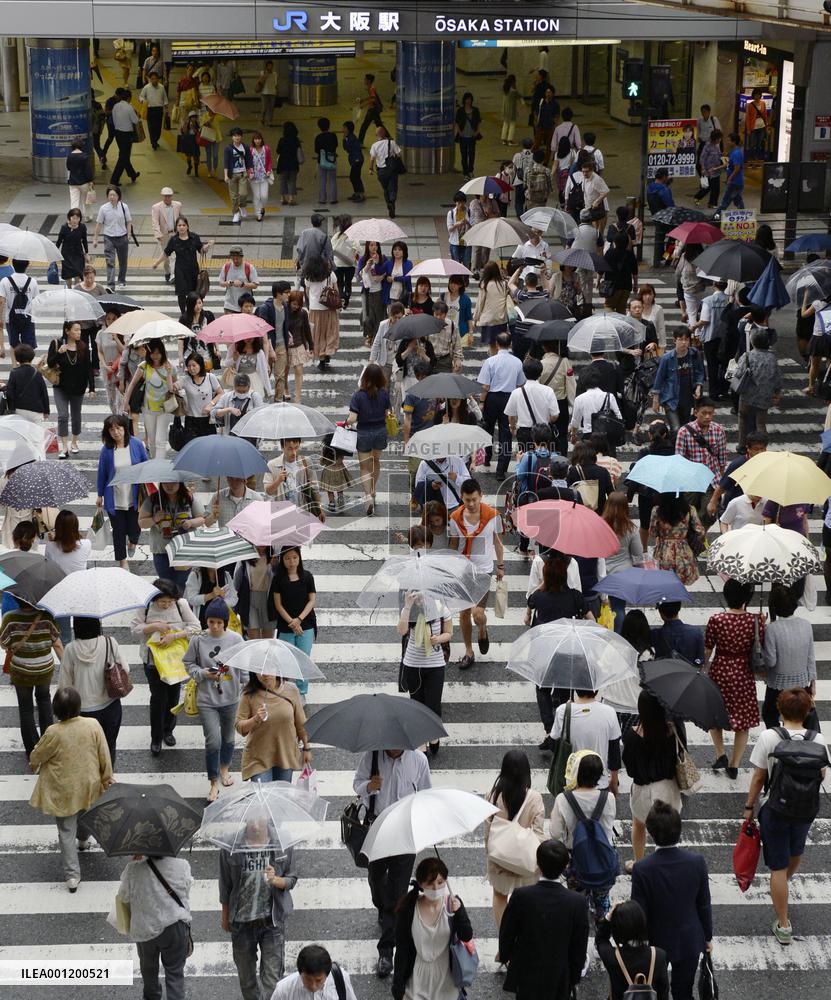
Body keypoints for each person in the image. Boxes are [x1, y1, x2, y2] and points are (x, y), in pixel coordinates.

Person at [745, 687, 829, 946]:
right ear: (807, 712)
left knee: (777, 867)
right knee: (796, 853)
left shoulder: (770, 737)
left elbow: (759, 777)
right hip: (805, 808)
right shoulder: (818, 739)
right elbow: (822, 774)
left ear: (780, 710)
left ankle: (783, 924)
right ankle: (781, 884)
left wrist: (748, 807)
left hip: (776, 808)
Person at [353, 747, 432, 977]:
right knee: (376, 882)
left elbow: (426, 793)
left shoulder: (418, 760)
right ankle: (383, 906)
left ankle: (386, 950)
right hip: (377, 828)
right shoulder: (371, 756)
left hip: (405, 832)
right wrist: (369, 786)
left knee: (397, 893)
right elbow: (356, 783)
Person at [29, 687, 112, 892]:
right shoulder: (92, 725)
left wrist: (33, 763)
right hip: (89, 783)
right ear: (78, 706)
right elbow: (104, 753)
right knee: (86, 813)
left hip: (63, 788)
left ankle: (72, 876)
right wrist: (106, 776)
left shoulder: (53, 732)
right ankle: (83, 840)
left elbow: (38, 755)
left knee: (66, 830)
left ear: (56, 710)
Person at [631, 801, 713, 1000]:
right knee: (683, 991)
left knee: (658, 990)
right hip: (689, 939)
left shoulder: (642, 869)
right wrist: (708, 937)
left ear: (650, 832)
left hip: (656, 941)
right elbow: (704, 904)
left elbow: (639, 911)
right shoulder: (697, 862)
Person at [498, 839, 588, 1000]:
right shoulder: (577, 902)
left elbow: (507, 933)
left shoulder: (521, 896)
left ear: (538, 865)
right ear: (566, 866)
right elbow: (579, 946)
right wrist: (573, 977)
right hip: (560, 976)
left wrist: (507, 958)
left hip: (527, 973)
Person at [220, 832, 295, 998]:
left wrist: (276, 880)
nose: (255, 822)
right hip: (241, 922)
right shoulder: (231, 846)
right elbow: (225, 884)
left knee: (273, 983)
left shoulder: (282, 843)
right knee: (247, 982)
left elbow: (292, 878)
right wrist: (225, 915)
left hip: (272, 923)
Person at [183, 597, 243, 802]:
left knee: (228, 738)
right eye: (211, 622)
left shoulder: (235, 639)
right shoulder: (198, 639)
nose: (215, 626)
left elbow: (243, 665)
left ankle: (225, 768)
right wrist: (201, 673)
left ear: (225, 622)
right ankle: (214, 781)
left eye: (219, 622)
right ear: (206, 621)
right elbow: (188, 663)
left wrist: (245, 685)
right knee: (213, 741)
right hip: (207, 699)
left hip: (231, 697)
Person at [132, 577, 201, 756]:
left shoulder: (181, 605)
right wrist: (152, 626)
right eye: (162, 601)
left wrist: (175, 636)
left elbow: (196, 627)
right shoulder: (145, 606)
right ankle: (156, 738)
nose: (166, 605)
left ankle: (168, 731)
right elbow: (134, 629)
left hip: (175, 661)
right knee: (157, 698)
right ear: (154, 599)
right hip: (152, 661)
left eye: (170, 601)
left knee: (172, 697)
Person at [391, 855, 473, 1000]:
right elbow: (402, 950)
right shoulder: (409, 909)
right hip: (417, 979)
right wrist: (398, 988)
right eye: (430, 883)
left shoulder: (452, 904)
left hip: (447, 979)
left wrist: (459, 912)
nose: (436, 888)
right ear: (421, 884)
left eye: (440, 882)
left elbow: (466, 935)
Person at [704, 578, 763, 779]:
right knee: (743, 719)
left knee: (714, 713)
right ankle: (735, 764)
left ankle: (720, 753)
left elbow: (707, 649)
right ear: (747, 597)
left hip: (720, 669)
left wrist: (703, 668)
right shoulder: (755, 620)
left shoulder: (716, 619)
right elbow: (759, 646)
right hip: (743, 672)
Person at [483, 749, 545, 936]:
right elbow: (539, 834)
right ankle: (523, 940)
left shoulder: (493, 795)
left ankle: (504, 944)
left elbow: (488, 830)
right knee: (527, 902)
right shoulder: (534, 798)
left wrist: (491, 853)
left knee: (500, 896)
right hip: (526, 860)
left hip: (499, 858)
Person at [116, 850, 193, 1000]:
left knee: (149, 971)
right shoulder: (182, 865)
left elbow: (123, 897)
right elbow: (186, 891)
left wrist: (134, 862)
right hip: (174, 926)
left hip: (145, 929)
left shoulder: (133, 869)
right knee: (175, 973)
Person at [549, 750, 617, 916]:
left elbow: (555, 833)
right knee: (602, 899)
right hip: (604, 858)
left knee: (576, 904)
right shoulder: (608, 798)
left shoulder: (563, 799)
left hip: (575, 860)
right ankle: (602, 929)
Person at [622, 690, 683, 872]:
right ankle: (668, 862)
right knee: (668, 828)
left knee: (639, 825)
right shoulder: (673, 730)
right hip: (668, 787)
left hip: (643, 789)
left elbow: (631, 769)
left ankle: (638, 863)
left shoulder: (633, 736)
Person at [448, 479, 505, 669]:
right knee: (464, 613)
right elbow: (454, 544)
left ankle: (482, 628)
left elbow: (497, 542)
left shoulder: (492, 516)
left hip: (483, 571)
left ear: (481, 496)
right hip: (463, 570)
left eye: (474, 499)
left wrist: (501, 565)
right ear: (462, 499)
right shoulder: (455, 518)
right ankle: (468, 651)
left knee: (477, 614)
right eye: (467, 500)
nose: (471, 504)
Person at [58, 617, 128, 766]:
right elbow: (125, 669)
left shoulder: (70, 649)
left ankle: (89, 782)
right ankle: (107, 780)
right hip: (110, 705)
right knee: (108, 746)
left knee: (85, 751)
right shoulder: (110, 642)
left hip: (81, 710)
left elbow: (65, 683)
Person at [0, 602, 62, 758]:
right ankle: (48, 747)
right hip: (43, 669)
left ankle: (32, 751)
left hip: (21, 670)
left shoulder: (10, 618)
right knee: (44, 701)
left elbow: (3, 643)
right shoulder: (47, 616)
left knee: (25, 708)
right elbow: (55, 639)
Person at [397, 589, 451, 753]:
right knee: (417, 704)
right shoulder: (409, 610)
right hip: (413, 663)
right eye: (416, 594)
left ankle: (433, 735)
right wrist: (407, 606)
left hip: (435, 664)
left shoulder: (441, 608)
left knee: (433, 703)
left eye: (422, 594)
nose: (419, 598)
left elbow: (449, 633)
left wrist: (438, 639)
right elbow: (401, 630)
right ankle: (421, 741)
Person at [235, 670, 310, 783]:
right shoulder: (248, 695)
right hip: (258, 759)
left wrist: (306, 748)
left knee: (281, 797)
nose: (265, 674)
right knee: (263, 798)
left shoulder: (291, 690)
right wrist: (255, 719)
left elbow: (301, 724)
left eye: (270, 669)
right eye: (260, 670)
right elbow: (240, 727)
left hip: (285, 755)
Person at [760, 583, 818, 730]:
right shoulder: (806, 625)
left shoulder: (772, 629)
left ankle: (780, 739)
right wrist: (813, 683)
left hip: (778, 683)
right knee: (801, 715)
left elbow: (771, 661)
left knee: (769, 713)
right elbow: (811, 657)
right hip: (802, 682)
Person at [96, 413, 149, 569]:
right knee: (118, 531)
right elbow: (102, 474)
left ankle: (133, 542)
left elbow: (145, 466)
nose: (116, 432)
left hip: (134, 495)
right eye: (111, 430)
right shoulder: (106, 450)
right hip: (115, 497)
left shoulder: (137, 444)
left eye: (118, 428)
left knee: (134, 527)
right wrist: (99, 495)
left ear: (125, 428)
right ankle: (122, 561)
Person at [595, 901, 671, 1000]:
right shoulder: (659, 955)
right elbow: (663, 991)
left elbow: (601, 939)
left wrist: (608, 917)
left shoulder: (612, 957)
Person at [551, 690, 622, 792]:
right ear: (596, 689)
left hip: (572, 783)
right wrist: (614, 781)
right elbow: (614, 751)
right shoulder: (609, 712)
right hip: (600, 782)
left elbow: (553, 744)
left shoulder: (563, 711)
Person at [269, 546, 317, 698]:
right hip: (286, 626)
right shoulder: (278, 578)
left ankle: (301, 692)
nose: (291, 561)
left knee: (303, 659)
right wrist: (292, 622)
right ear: (282, 560)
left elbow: (312, 600)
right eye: (288, 558)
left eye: (294, 558)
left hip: (306, 625)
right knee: (284, 660)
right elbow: (278, 604)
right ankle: (284, 689)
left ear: (299, 558)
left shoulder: (307, 576)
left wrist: (299, 620)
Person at [138, 481, 205, 587]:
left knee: (182, 583)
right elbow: (141, 522)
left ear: (180, 483)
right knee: (166, 584)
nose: (169, 486)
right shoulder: (153, 499)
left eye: (173, 483)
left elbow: (201, 518)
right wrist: (155, 519)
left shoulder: (189, 497)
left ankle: (180, 604)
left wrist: (190, 522)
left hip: (184, 549)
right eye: (166, 483)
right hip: (162, 550)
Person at [347, 363, 392, 515]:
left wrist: (345, 423)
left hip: (364, 433)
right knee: (376, 461)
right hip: (380, 431)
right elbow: (388, 415)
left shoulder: (358, 396)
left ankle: (367, 497)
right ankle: (373, 490)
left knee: (364, 467)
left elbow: (353, 418)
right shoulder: (384, 394)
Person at [122, 338, 176, 459]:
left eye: (158, 352)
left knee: (160, 441)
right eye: (152, 352)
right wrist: (126, 402)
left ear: (162, 352)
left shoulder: (169, 367)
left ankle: (159, 467)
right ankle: (154, 464)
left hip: (164, 409)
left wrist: (168, 374)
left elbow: (172, 389)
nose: (155, 356)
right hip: (148, 409)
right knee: (151, 440)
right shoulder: (144, 366)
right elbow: (132, 385)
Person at [47, 321, 94, 458]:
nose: (79, 332)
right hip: (60, 386)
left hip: (78, 387)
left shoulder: (83, 346)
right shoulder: (56, 343)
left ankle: (74, 442)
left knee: (76, 416)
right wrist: (59, 353)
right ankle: (64, 447)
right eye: (76, 330)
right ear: (67, 331)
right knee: (62, 416)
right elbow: (50, 363)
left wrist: (91, 387)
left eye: (80, 330)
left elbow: (88, 368)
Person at [732, 329, 782, 450]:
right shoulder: (772, 358)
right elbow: (777, 378)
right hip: (765, 395)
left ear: (753, 341)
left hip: (747, 395)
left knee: (743, 417)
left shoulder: (748, 355)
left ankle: (741, 445)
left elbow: (738, 373)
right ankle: (762, 448)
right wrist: (776, 393)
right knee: (760, 423)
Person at [650, 327, 705, 434]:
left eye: (686, 339)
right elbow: (659, 379)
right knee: (676, 429)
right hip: (670, 399)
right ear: (675, 340)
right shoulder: (666, 358)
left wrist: (698, 386)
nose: (684, 342)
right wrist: (655, 400)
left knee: (684, 429)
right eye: (681, 339)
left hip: (687, 398)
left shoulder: (694, 354)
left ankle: (679, 450)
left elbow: (700, 372)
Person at [155, 216, 213, 313]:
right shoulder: (174, 240)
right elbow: (166, 253)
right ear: (176, 227)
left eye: (183, 225)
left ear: (187, 226)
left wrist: (208, 246)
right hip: (180, 270)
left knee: (195, 293)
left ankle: (197, 312)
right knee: (181, 293)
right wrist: (156, 263)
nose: (181, 227)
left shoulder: (194, 237)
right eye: (179, 225)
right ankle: (184, 314)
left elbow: (201, 250)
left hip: (193, 269)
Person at [648, 494, 704, 587]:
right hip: (683, 552)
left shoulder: (657, 510)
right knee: (678, 587)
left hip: (663, 552)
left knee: (663, 585)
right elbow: (700, 531)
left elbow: (653, 533)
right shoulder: (689, 509)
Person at [272, 944, 359, 1000]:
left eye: (318, 980)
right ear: (300, 972)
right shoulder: (283, 990)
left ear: (327, 975)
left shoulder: (340, 978)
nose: (313, 986)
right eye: (308, 980)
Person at [674, 396, 727, 482]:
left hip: (712, 479)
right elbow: (679, 459)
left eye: (710, 413)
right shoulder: (684, 432)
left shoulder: (719, 430)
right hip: (691, 480)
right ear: (696, 413)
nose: (707, 417)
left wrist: (719, 480)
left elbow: (722, 459)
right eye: (704, 413)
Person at [174, 353, 222, 445]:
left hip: (208, 420)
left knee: (209, 448)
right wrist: (169, 374)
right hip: (191, 421)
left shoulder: (210, 377)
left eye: (194, 365)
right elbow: (172, 388)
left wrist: (211, 404)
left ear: (200, 365)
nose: (191, 368)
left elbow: (220, 393)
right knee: (192, 448)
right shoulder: (185, 380)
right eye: (188, 366)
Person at [303, 257, 340, 371]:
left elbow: (308, 293)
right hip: (329, 307)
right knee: (329, 331)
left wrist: (313, 301)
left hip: (315, 308)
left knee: (317, 334)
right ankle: (327, 351)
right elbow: (336, 290)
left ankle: (322, 358)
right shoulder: (330, 274)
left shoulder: (309, 276)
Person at [92, 185, 133, 290]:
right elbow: (99, 224)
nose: (112, 197)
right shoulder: (104, 208)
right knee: (110, 261)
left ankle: (122, 280)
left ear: (118, 196)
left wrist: (128, 235)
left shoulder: (124, 207)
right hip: (109, 237)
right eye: (110, 195)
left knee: (123, 261)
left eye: (114, 195)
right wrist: (95, 238)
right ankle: (110, 284)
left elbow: (128, 222)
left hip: (122, 237)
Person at [0, 259, 40, 356]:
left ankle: (15, 367)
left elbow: (1, 301)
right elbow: (37, 301)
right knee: (29, 344)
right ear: (27, 265)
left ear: (13, 263)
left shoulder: (5, 281)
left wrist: (1, 318)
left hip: (11, 317)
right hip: (28, 316)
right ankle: (28, 365)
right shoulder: (33, 281)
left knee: (14, 343)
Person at [3, 344, 49, 422]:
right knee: (35, 433)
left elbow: (10, 393)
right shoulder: (37, 373)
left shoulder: (14, 373)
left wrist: (11, 409)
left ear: (17, 359)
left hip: (19, 409)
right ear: (32, 357)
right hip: (36, 410)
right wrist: (46, 411)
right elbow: (43, 393)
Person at [369, 126, 403, 218]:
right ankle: (392, 202)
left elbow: (372, 159)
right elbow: (399, 154)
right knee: (393, 187)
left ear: (376, 135)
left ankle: (388, 203)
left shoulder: (374, 145)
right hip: (392, 170)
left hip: (381, 171)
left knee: (385, 189)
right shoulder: (391, 142)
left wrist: (370, 169)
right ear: (385, 133)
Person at [151, 187, 182, 284]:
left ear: (172, 196)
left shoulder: (178, 205)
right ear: (162, 196)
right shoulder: (156, 207)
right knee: (166, 256)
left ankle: (173, 275)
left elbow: (181, 218)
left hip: (175, 233)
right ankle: (168, 272)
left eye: (169, 196)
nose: (167, 198)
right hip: (164, 235)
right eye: (165, 196)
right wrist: (158, 234)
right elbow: (155, 222)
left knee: (174, 255)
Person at [109, 88, 140, 185]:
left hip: (118, 134)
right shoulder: (129, 107)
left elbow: (113, 120)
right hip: (127, 135)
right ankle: (114, 180)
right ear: (129, 98)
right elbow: (135, 121)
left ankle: (132, 174)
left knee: (124, 155)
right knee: (123, 157)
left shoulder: (115, 106)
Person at [224, 127, 253, 223]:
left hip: (242, 173)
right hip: (232, 174)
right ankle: (236, 213)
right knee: (234, 196)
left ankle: (243, 206)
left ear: (241, 136)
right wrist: (226, 175)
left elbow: (249, 160)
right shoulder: (228, 148)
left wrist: (250, 172)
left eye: (239, 135)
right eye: (235, 136)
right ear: (232, 137)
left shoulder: (245, 147)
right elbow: (226, 162)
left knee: (243, 193)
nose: (237, 137)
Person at [220, 245, 259, 314]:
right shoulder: (226, 267)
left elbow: (255, 285)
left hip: (245, 306)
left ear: (242, 257)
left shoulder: (249, 267)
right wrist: (230, 283)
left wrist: (243, 284)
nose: (235, 261)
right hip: (229, 305)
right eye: (233, 259)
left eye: (237, 258)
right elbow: (221, 283)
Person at [56, 208, 89, 286]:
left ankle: (76, 290)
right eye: (73, 218)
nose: (75, 220)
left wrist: (86, 253)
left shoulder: (82, 227)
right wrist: (55, 252)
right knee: (68, 274)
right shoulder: (64, 227)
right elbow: (59, 241)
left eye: (77, 218)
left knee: (78, 272)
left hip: (78, 253)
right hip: (66, 253)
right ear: (69, 218)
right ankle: (69, 289)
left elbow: (84, 240)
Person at [716, 132, 745, 214]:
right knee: (738, 202)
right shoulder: (734, 151)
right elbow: (729, 163)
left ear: (734, 142)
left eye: (729, 141)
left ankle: (715, 218)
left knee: (724, 203)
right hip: (737, 182)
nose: (727, 142)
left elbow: (737, 168)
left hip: (734, 182)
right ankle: (745, 217)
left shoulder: (736, 153)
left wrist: (729, 178)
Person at [455, 92, 482, 179]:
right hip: (463, 136)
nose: (468, 101)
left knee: (471, 154)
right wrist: (459, 132)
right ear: (464, 100)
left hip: (472, 136)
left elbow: (478, 122)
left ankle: (470, 171)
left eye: (470, 99)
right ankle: (465, 172)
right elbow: (457, 122)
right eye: (467, 99)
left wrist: (477, 131)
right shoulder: (460, 111)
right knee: (464, 155)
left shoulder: (475, 110)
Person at [139, 69, 168, 149]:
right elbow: (141, 96)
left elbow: (165, 98)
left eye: (156, 78)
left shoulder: (161, 87)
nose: (154, 80)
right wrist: (143, 101)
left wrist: (166, 107)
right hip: (150, 109)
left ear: (158, 79)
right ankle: (153, 142)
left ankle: (155, 139)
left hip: (159, 109)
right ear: (150, 79)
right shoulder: (146, 87)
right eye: (152, 79)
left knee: (158, 128)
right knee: (151, 127)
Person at [275, 122, 302, 207]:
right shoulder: (296, 140)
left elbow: (278, 151)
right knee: (292, 181)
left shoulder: (282, 140)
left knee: (282, 181)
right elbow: (299, 151)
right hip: (293, 163)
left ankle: (283, 198)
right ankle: (291, 198)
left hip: (283, 163)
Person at [695, 129, 724, 208]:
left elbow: (718, 155)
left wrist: (722, 155)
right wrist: (703, 169)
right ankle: (697, 197)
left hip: (716, 170)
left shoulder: (717, 145)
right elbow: (702, 158)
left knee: (716, 188)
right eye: (719, 138)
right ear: (715, 139)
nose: (720, 140)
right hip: (708, 170)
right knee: (707, 187)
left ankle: (712, 203)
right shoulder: (707, 146)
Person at [66, 141, 94, 219]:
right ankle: (87, 216)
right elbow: (88, 170)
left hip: (73, 182)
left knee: (74, 201)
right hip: (84, 182)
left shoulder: (70, 156)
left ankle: (74, 217)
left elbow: (68, 167)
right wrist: (90, 181)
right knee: (86, 201)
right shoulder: (85, 156)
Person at [314, 117, 338, 204]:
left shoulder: (318, 137)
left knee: (323, 180)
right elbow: (336, 145)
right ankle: (333, 198)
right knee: (332, 179)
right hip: (332, 159)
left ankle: (322, 199)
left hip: (322, 160)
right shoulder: (333, 136)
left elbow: (316, 150)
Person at [358, 72, 384, 145]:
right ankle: (388, 138)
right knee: (379, 125)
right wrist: (364, 99)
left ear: (368, 81)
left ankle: (360, 142)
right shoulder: (371, 87)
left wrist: (364, 104)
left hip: (373, 110)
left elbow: (373, 99)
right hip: (374, 110)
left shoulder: (371, 88)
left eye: (365, 79)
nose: (364, 80)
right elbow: (372, 97)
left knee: (364, 125)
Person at [342, 121, 365, 203]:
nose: (343, 130)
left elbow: (349, 149)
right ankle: (357, 193)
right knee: (354, 177)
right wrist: (344, 139)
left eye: (344, 128)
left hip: (357, 160)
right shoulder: (349, 137)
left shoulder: (352, 138)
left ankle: (360, 194)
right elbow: (346, 149)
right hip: (355, 159)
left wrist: (344, 140)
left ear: (348, 129)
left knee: (354, 177)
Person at [256, 60, 279, 125]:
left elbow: (276, 84)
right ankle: (262, 118)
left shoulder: (275, 74)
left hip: (272, 93)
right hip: (264, 93)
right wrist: (266, 74)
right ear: (266, 66)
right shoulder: (262, 73)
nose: (270, 67)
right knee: (264, 107)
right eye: (269, 66)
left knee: (271, 108)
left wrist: (277, 91)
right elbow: (260, 81)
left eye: (271, 66)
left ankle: (270, 121)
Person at [501, 74, 521, 145]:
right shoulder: (513, 91)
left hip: (505, 109)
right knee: (512, 124)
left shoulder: (505, 88)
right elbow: (519, 96)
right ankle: (510, 140)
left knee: (505, 123)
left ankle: (503, 139)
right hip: (511, 110)